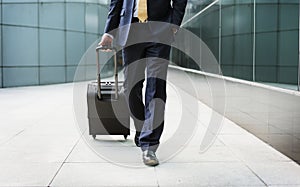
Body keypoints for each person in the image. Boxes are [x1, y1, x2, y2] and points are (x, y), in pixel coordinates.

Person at [98, 0, 187, 166]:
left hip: (160, 29)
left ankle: (149, 145)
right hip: (130, 29)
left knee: (156, 86)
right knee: (131, 87)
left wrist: (174, 24)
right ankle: (142, 129)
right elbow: (116, 2)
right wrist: (109, 31)